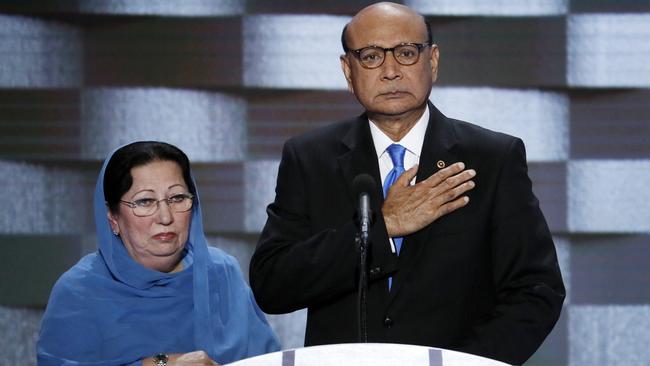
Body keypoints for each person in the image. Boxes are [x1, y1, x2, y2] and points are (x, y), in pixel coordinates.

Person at [249, 2, 565, 365]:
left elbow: (536, 291)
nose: (390, 71)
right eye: (370, 56)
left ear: (432, 61)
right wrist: (382, 229)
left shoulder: (492, 157)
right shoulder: (309, 158)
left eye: (406, 53)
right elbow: (272, 285)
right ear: (347, 70)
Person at [38, 141, 280, 366]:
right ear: (112, 218)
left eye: (177, 198)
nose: (165, 217)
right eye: (145, 201)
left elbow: (267, 360)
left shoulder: (220, 272)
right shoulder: (79, 291)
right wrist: (158, 363)